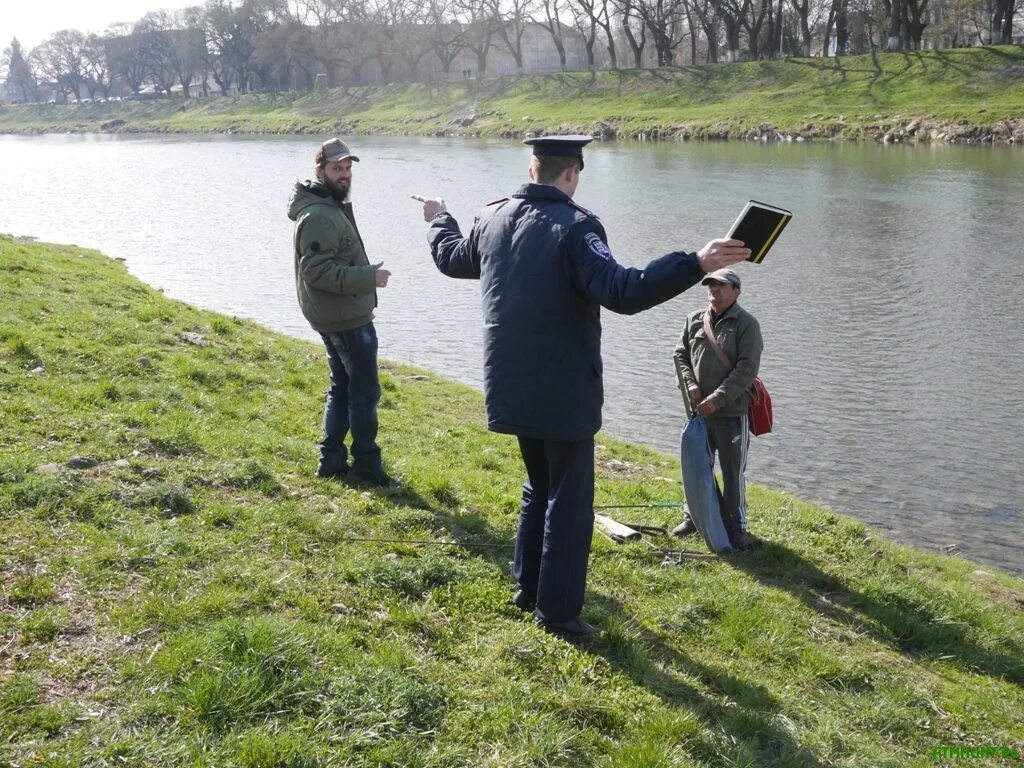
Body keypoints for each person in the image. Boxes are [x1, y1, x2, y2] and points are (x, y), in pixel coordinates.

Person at [411, 135, 750, 637]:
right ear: (572, 174)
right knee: (569, 501)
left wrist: (440, 216)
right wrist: (695, 263)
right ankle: (559, 614)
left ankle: (529, 589)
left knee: (539, 485)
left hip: (508, 384)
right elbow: (624, 291)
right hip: (564, 388)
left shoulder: (491, 217)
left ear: (533, 169)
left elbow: (451, 259)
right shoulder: (577, 227)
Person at [287, 137, 394, 487]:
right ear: (320, 170)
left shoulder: (328, 205)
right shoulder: (319, 215)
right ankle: (366, 464)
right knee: (364, 394)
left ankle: (331, 461)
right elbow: (317, 273)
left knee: (343, 388)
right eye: (337, 168)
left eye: (348, 168)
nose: (345, 174)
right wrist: (369, 277)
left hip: (340, 314)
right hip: (345, 319)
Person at [672, 268, 763, 549]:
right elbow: (680, 355)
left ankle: (736, 528)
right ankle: (694, 517)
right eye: (710, 285)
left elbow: (746, 370)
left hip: (732, 414)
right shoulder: (694, 320)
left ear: (736, 291)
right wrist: (690, 386)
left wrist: (717, 399)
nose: (714, 289)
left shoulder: (747, 324)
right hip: (698, 413)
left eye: (721, 285)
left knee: (733, 472)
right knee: (697, 465)